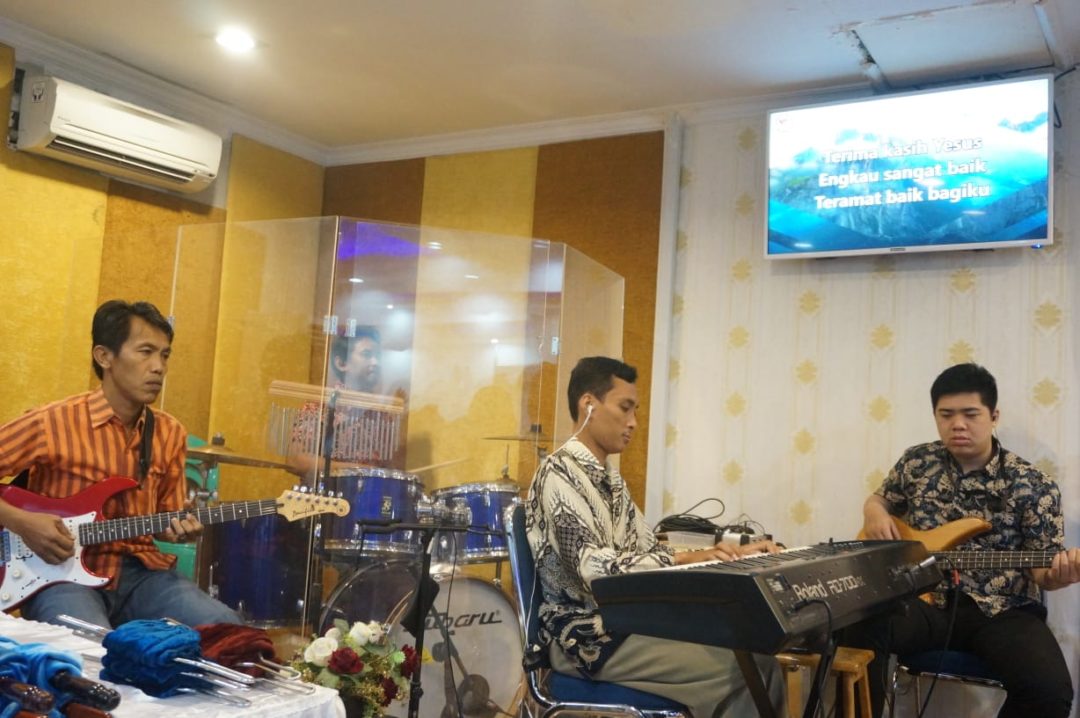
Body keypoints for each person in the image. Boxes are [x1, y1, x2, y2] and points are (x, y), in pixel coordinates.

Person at [525, 356, 785, 718]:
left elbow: (648, 549)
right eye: (625, 407)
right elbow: (592, 568)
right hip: (584, 638)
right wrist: (683, 559)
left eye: (636, 410)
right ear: (588, 405)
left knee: (759, 661)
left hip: (625, 625)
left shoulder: (611, 481)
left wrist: (728, 552)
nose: (633, 422)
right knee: (745, 672)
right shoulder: (557, 473)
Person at [849, 363, 1080, 717]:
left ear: (993, 416)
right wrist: (874, 513)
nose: (958, 424)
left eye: (970, 414)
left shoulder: (1033, 484)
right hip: (926, 603)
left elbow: (1042, 572)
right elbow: (879, 500)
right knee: (856, 626)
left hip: (1003, 612)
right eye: (946, 415)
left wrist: (1058, 575)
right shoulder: (916, 463)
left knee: (1049, 691)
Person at [0, 299, 241, 629]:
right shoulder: (52, 422)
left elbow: (167, 518)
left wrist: (181, 528)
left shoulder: (170, 433)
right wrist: (22, 522)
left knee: (228, 630)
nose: (158, 367)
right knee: (89, 648)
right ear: (104, 356)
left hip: (141, 574)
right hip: (58, 574)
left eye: (165, 355)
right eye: (145, 352)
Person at [286, 326, 395, 477]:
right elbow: (296, 461)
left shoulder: (382, 415)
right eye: (367, 354)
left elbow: (389, 471)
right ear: (342, 363)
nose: (376, 362)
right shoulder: (318, 406)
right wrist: (359, 470)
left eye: (378, 356)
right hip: (327, 493)